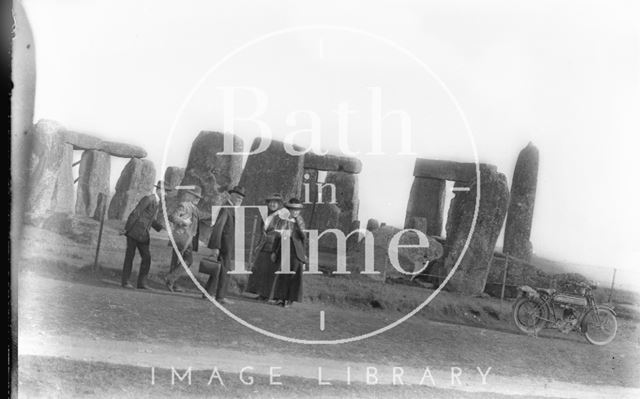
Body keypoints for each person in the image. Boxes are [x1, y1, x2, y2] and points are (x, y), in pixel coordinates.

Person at [120, 181, 167, 289]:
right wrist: (126, 229)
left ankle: (142, 283)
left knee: (147, 258)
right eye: (165, 192)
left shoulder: (156, 201)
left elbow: (150, 218)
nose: (166, 194)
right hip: (134, 232)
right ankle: (125, 281)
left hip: (143, 234)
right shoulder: (149, 199)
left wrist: (160, 227)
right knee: (129, 257)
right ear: (159, 190)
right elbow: (136, 212)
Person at [164, 186, 210, 292]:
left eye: (199, 198)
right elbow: (172, 217)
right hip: (180, 237)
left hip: (187, 239)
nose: (198, 199)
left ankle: (171, 281)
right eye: (196, 197)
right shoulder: (184, 206)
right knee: (186, 261)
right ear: (191, 196)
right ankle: (170, 280)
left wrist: (215, 215)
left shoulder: (195, 209)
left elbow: (203, 215)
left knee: (181, 261)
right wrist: (183, 222)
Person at [204, 185, 246, 304]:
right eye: (237, 197)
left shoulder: (232, 208)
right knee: (223, 269)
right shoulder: (226, 208)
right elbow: (218, 228)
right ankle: (219, 296)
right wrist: (215, 247)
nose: (239, 200)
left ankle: (209, 293)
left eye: (241, 198)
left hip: (228, 245)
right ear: (231, 195)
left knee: (219, 269)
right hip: (223, 246)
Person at [245, 193, 288, 301]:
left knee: (270, 272)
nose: (272, 204)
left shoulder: (282, 217)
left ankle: (268, 295)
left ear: (279, 204)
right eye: (271, 202)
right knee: (261, 270)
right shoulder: (266, 215)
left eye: (275, 203)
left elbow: (281, 234)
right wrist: (258, 244)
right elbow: (262, 231)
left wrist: (276, 250)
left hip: (274, 247)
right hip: (264, 246)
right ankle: (261, 293)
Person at [271, 198, 307, 307]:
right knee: (283, 274)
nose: (295, 212)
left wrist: (304, 256)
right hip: (284, 249)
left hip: (296, 251)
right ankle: (281, 298)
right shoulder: (282, 221)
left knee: (294, 275)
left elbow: (304, 239)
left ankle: (289, 300)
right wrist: (274, 251)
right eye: (292, 210)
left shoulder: (300, 222)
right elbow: (277, 237)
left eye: (297, 210)